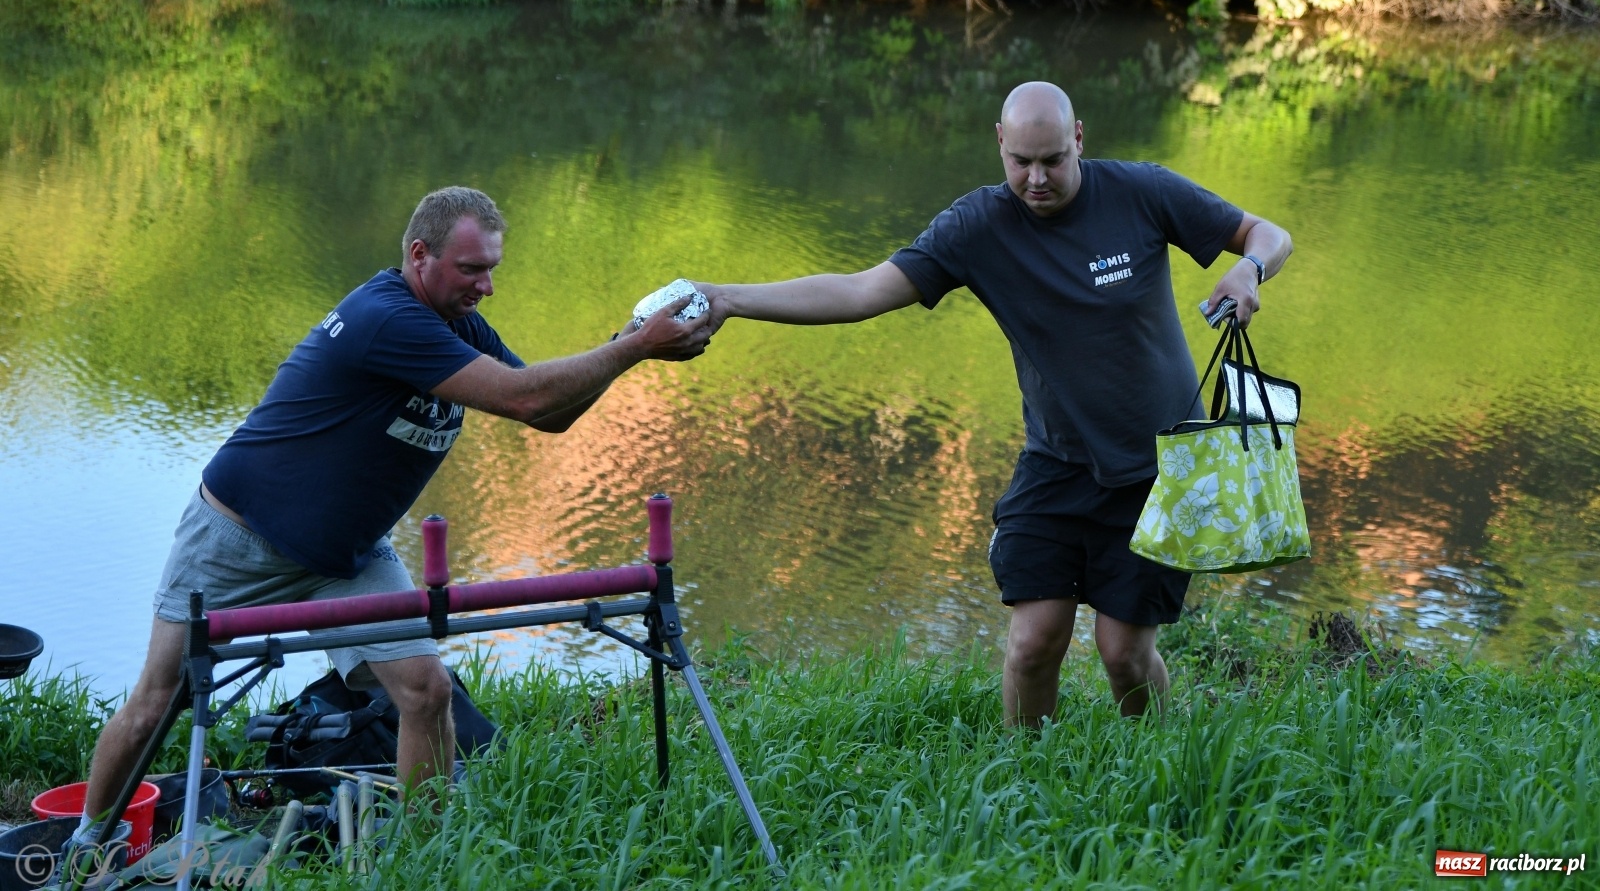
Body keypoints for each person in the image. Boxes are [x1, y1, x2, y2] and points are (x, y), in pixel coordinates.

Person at [78, 186, 712, 837]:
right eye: (472, 269)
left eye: (492, 267)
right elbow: (525, 398)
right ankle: (83, 843)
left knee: (425, 689)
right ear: (419, 255)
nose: (487, 285)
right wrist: (634, 348)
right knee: (158, 703)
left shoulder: (457, 321)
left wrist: (626, 341)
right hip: (239, 540)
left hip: (348, 554)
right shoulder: (389, 317)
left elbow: (548, 414)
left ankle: (422, 851)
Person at [697, 82, 1291, 726]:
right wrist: (728, 298)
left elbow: (1268, 233)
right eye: (1022, 162)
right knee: (1033, 644)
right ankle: (1023, 779)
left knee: (1123, 653)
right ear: (1000, 143)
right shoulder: (978, 226)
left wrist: (1248, 270)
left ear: (1080, 139)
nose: (1037, 179)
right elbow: (860, 291)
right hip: (1055, 466)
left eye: (1054, 160)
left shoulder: (1140, 192)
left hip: (1157, 471)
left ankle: (1160, 760)